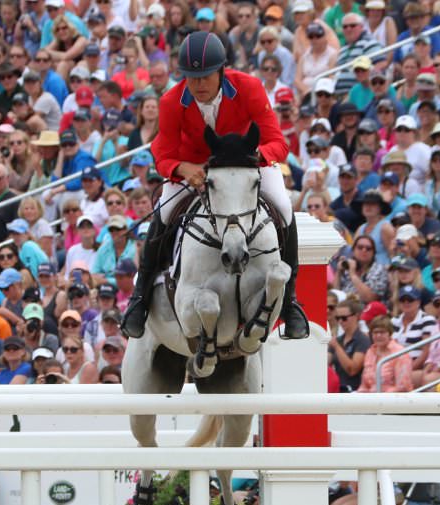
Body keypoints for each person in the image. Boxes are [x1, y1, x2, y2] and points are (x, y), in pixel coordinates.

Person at [121, 31, 307, 340]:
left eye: (205, 76)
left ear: (221, 71)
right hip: (195, 170)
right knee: (163, 212)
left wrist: (255, 158)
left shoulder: (249, 87)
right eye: (192, 78)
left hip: (245, 167)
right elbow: (162, 153)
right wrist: (182, 168)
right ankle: (139, 298)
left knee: (283, 205)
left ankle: (290, 302)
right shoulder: (171, 101)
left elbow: (278, 141)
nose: (199, 85)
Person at [358, 315, 411, 392]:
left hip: (393, 400)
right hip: (371, 399)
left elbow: (403, 387)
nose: (378, 335)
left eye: (382, 332)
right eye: (375, 332)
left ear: (389, 333)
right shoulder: (370, 352)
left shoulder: (400, 353)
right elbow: (364, 385)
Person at [328, 297, 368, 393]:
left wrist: (337, 347)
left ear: (356, 316)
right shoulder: (338, 340)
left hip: (354, 391)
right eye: (338, 318)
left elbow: (352, 370)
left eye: (344, 318)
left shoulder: (362, 340)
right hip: (338, 390)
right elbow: (324, 363)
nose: (340, 321)